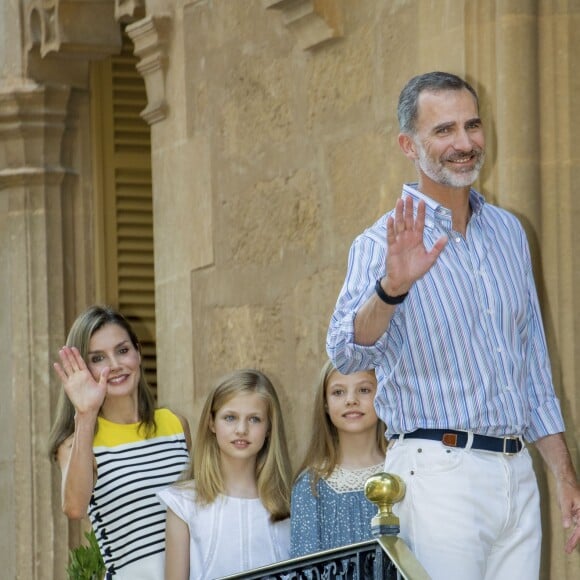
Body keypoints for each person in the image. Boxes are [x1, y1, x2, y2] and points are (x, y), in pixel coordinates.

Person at [326, 71, 580, 579]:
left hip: (516, 474)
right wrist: (391, 289)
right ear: (409, 144)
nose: (464, 143)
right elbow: (345, 353)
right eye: (443, 130)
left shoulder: (509, 232)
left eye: (472, 125)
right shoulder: (380, 243)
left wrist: (563, 475)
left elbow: (532, 366)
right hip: (436, 474)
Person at [48, 305, 192, 579]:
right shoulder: (77, 442)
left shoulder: (176, 424)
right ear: (83, 369)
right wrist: (86, 414)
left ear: (138, 352)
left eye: (123, 350)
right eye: (98, 358)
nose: (115, 365)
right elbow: (75, 507)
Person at [157, 369, 292, 580]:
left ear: (269, 428)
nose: (241, 429)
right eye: (230, 417)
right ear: (211, 423)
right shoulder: (183, 503)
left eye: (255, 419)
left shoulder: (288, 503)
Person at [290, 360, 387, 558]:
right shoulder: (311, 485)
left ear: (382, 395)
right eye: (338, 392)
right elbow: (305, 568)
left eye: (364, 390)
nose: (351, 400)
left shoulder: (402, 471)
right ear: (325, 404)